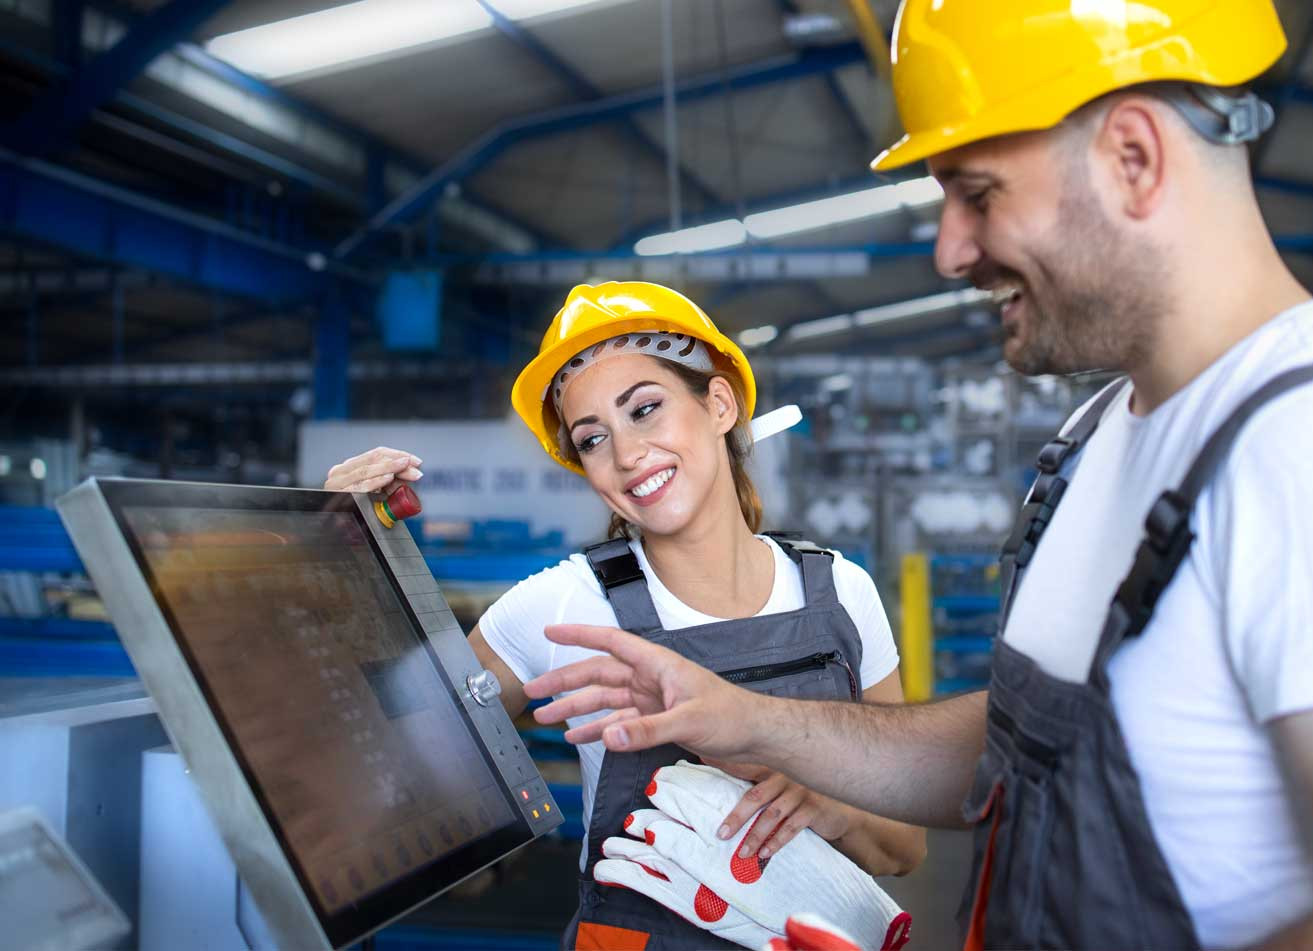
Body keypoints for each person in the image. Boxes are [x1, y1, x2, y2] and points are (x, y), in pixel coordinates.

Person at [521, 2, 1313, 948]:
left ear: (1132, 156)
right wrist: (741, 716)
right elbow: (1019, 745)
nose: (947, 248)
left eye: (976, 193)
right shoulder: (1104, 430)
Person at [325, 282, 925, 950]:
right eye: (592, 438)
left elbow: (903, 845)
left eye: (645, 409)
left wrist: (833, 803)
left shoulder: (843, 592)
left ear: (718, 403)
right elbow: (395, 753)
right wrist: (343, 555)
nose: (627, 453)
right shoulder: (563, 606)